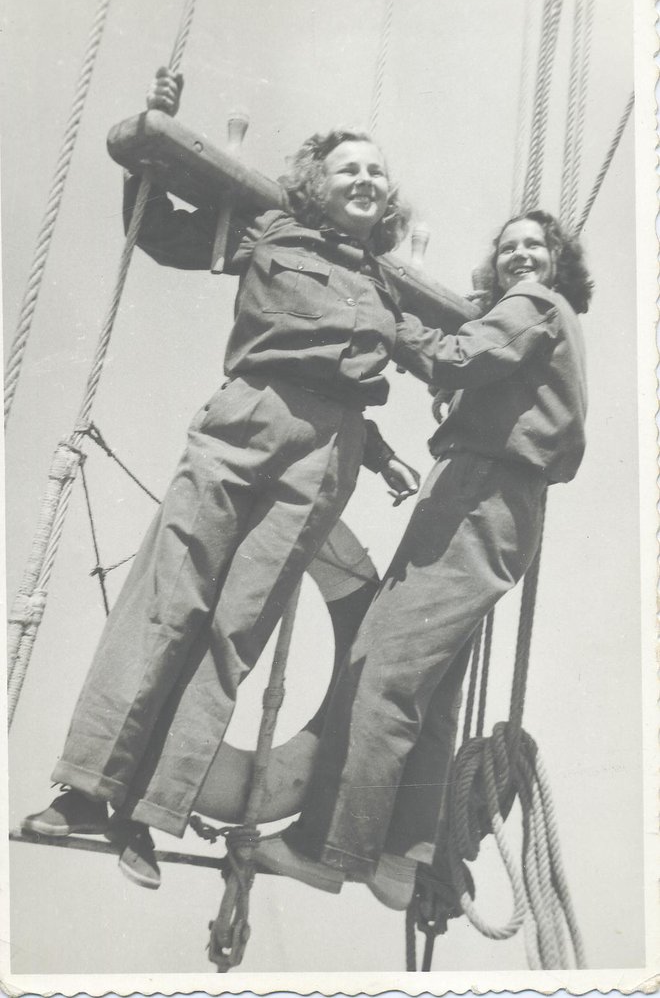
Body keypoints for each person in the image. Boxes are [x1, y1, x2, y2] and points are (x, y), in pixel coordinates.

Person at [21, 68, 476, 891]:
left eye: (377, 172)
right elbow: (158, 232)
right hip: (242, 427)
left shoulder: (386, 285)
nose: (367, 180)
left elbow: (427, 360)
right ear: (315, 185)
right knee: (168, 604)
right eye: (350, 170)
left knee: (233, 637)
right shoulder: (268, 229)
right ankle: (90, 792)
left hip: (325, 457)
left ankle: (149, 819)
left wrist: (385, 448)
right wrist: (146, 144)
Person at [255, 209, 592, 910]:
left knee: (382, 670)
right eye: (508, 250)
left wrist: (383, 314)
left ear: (557, 264)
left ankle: (327, 850)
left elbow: (455, 358)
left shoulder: (534, 306)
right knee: (430, 691)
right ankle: (403, 855)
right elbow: (477, 366)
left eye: (534, 247)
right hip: (501, 504)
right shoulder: (543, 319)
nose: (521, 257)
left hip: (478, 494)